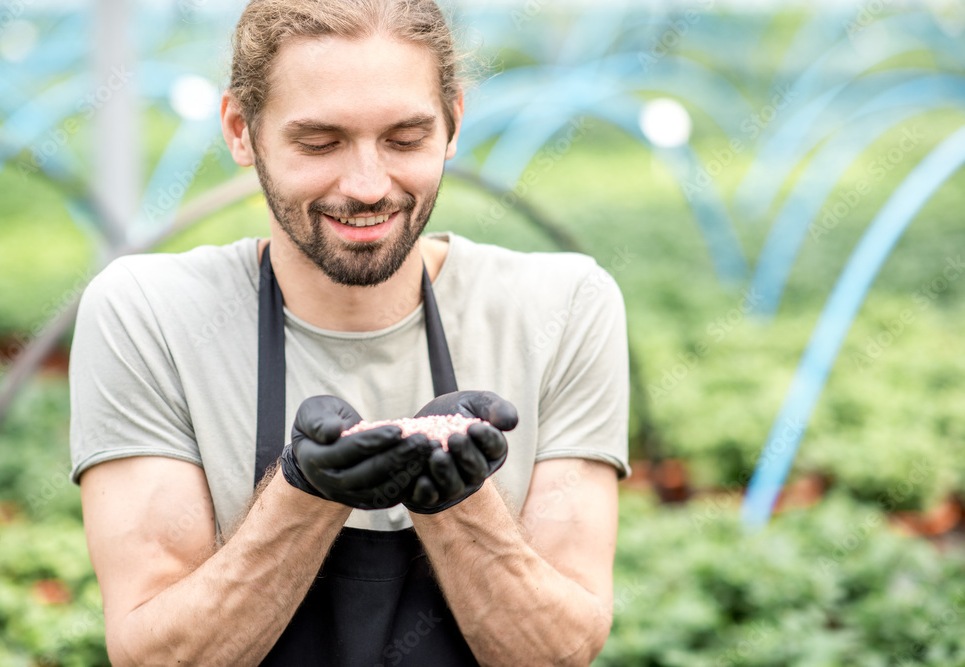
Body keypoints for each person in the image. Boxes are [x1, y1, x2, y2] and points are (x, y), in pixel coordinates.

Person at [69, 1, 630, 665]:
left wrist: (461, 507)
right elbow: (157, 656)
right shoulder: (148, 314)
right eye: (319, 142)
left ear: (453, 120)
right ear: (241, 130)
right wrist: (301, 495)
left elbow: (558, 650)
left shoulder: (561, 307)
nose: (367, 186)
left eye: (404, 138)